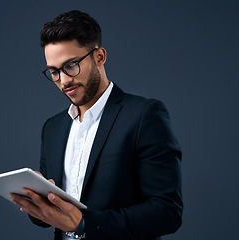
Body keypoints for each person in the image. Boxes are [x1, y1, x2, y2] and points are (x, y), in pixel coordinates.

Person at [10, 10, 183, 240]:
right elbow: (54, 219)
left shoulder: (144, 115)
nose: (63, 80)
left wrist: (84, 224)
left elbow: (167, 212)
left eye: (71, 65)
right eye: (54, 72)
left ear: (99, 56)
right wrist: (40, 204)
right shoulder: (52, 128)